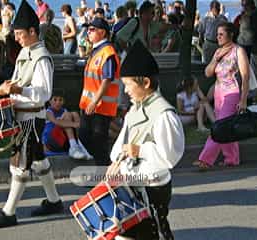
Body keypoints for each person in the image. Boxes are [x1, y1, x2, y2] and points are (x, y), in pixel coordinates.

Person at [0, 0, 64, 229]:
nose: (16, 38)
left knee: (19, 163)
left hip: (31, 118)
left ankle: (9, 212)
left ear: (32, 31)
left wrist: (16, 90)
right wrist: (7, 86)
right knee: (38, 161)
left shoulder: (42, 58)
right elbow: (19, 82)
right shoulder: (25, 52)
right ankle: (54, 201)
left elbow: (44, 93)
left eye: (19, 34)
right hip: (22, 116)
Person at [107, 40, 185, 240]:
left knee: (154, 233)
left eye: (128, 84)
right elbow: (124, 141)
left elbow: (170, 157)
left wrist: (140, 150)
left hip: (152, 188)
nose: (125, 90)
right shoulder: (135, 107)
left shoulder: (164, 113)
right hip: (132, 182)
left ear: (146, 83)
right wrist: (116, 161)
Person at [194, 22, 249, 169]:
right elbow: (207, 73)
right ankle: (232, 158)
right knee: (227, 127)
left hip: (232, 92)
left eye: (221, 34)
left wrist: (243, 100)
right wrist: (216, 59)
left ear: (230, 35)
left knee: (220, 126)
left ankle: (205, 159)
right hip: (219, 93)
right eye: (217, 34)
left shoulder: (239, 51)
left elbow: (245, 76)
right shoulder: (218, 52)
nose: (217, 37)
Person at [78, 17, 120, 166]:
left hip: (101, 106)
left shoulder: (107, 52)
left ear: (102, 33)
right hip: (90, 105)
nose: (88, 33)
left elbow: (107, 80)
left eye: (91, 30)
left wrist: (95, 101)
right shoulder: (96, 51)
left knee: (98, 140)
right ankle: (105, 168)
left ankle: (105, 174)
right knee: (84, 136)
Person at [42, 90, 92, 160]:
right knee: (68, 117)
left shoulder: (64, 111)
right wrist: (75, 124)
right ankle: (74, 147)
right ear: (50, 101)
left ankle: (80, 146)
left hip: (63, 141)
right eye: (55, 100)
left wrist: (77, 124)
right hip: (51, 142)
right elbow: (56, 122)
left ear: (64, 101)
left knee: (74, 113)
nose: (58, 102)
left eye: (60, 100)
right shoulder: (48, 112)